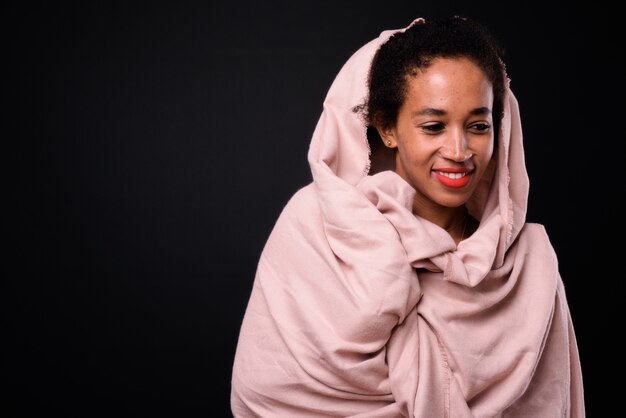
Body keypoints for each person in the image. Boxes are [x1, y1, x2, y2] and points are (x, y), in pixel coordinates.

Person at [230, 15, 585, 417]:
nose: (459, 150)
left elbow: (557, 403)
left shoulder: (530, 268)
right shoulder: (316, 230)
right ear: (387, 129)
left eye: (479, 125)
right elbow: (266, 394)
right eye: (434, 126)